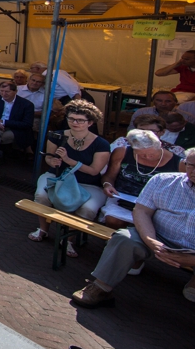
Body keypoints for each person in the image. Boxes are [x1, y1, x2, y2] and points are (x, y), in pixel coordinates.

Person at [71, 153, 195, 308]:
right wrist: (151, 240)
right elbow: (142, 211)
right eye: (191, 165)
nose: (194, 171)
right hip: (159, 236)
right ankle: (100, 287)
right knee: (124, 238)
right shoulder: (163, 180)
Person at [27, 100, 110, 257]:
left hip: (87, 183)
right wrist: (53, 161)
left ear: (90, 122)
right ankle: (43, 229)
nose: (74, 123)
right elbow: (49, 158)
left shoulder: (101, 144)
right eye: (71, 119)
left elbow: (94, 171)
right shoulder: (57, 135)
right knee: (41, 195)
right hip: (58, 177)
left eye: (80, 120)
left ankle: (69, 239)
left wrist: (69, 161)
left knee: (88, 209)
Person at [99, 129, 180, 230]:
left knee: (152, 226)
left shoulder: (178, 163)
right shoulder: (122, 152)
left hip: (154, 204)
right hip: (122, 198)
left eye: (152, 154)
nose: (147, 157)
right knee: (113, 220)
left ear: (159, 146)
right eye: (142, 154)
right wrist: (107, 184)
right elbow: (109, 176)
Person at [0, 81, 35, 153]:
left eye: (7, 91)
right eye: (1, 91)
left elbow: (27, 124)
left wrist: (3, 122)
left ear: (15, 91)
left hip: (15, 129)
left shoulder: (26, 104)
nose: (4, 94)